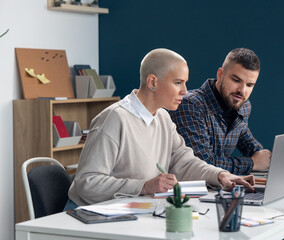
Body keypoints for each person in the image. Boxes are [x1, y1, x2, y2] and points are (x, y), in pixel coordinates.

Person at [65, 48, 255, 208]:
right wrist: (144, 186)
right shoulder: (114, 119)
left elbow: (185, 162)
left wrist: (221, 175)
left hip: (129, 211)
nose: (185, 91)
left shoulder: (162, 117)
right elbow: (86, 183)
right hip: (86, 215)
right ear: (153, 82)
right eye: (178, 83)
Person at [169, 48, 271, 175]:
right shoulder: (190, 104)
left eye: (249, 85)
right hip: (187, 190)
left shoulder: (243, 106)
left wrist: (268, 158)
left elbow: (248, 143)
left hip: (219, 187)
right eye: (236, 80)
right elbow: (203, 164)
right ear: (220, 74)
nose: (242, 90)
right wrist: (252, 163)